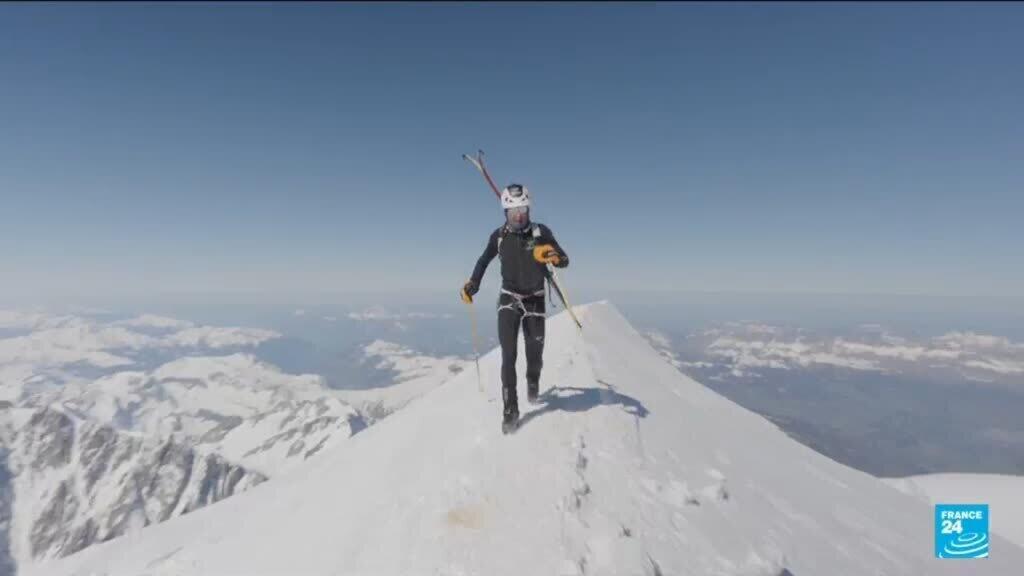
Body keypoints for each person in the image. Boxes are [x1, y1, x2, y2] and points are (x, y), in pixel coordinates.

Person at [461, 183, 570, 433]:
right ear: (505, 214)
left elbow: (564, 260)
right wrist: (472, 284)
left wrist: (552, 254)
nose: (518, 216)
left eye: (522, 209)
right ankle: (510, 410)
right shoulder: (498, 237)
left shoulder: (541, 232)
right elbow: (483, 260)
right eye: (513, 212)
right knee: (508, 356)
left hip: (536, 299)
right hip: (509, 299)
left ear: (529, 208)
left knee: (535, 356)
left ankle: (533, 382)